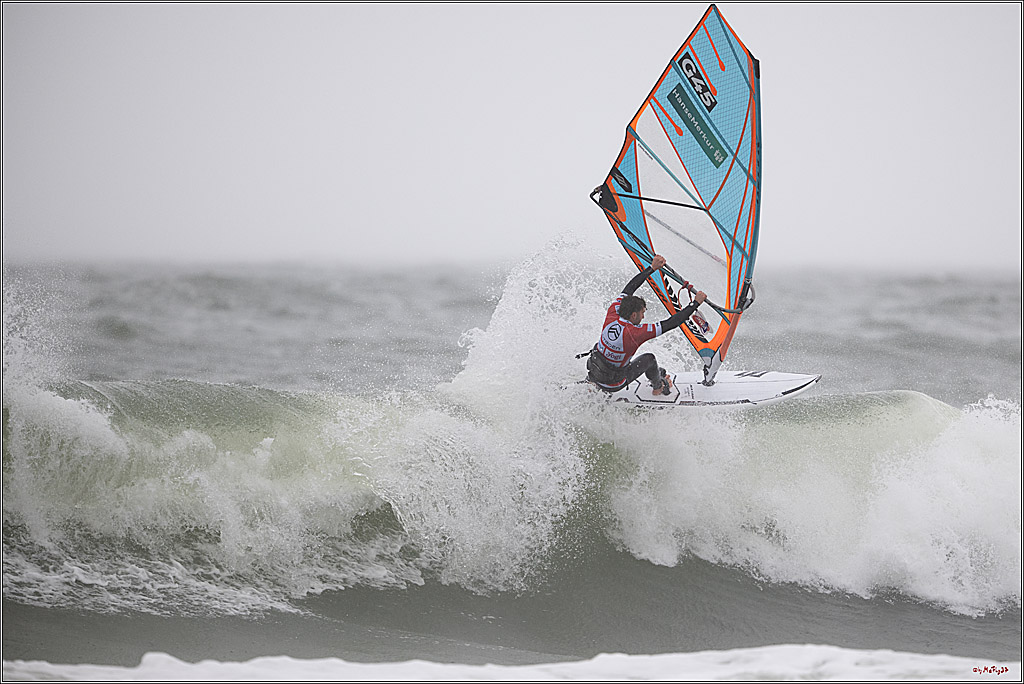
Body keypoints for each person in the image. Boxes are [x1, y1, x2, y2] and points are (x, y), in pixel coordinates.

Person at [586, 255, 707, 395]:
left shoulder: (613, 312)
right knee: (649, 359)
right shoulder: (635, 333)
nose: (643, 317)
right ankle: (659, 386)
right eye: (642, 313)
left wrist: (652, 268)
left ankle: (592, 381)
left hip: (596, 373)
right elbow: (672, 323)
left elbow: (629, 288)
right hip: (614, 383)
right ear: (633, 315)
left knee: (608, 353)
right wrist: (695, 304)